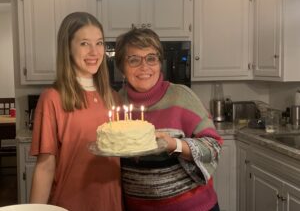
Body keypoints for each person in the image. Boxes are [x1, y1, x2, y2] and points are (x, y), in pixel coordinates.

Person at [115, 27, 222, 211]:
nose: (144, 67)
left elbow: (214, 147)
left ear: (159, 62)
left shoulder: (181, 97)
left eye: (151, 58)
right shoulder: (116, 102)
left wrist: (175, 145)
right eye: (133, 60)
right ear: (121, 67)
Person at [30, 12, 123, 211]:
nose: (94, 52)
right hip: (69, 204)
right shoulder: (53, 99)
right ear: (68, 48)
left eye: (99, 43)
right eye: (84, 44)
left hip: (111, 204)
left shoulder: (113, 98)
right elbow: (45, 167)